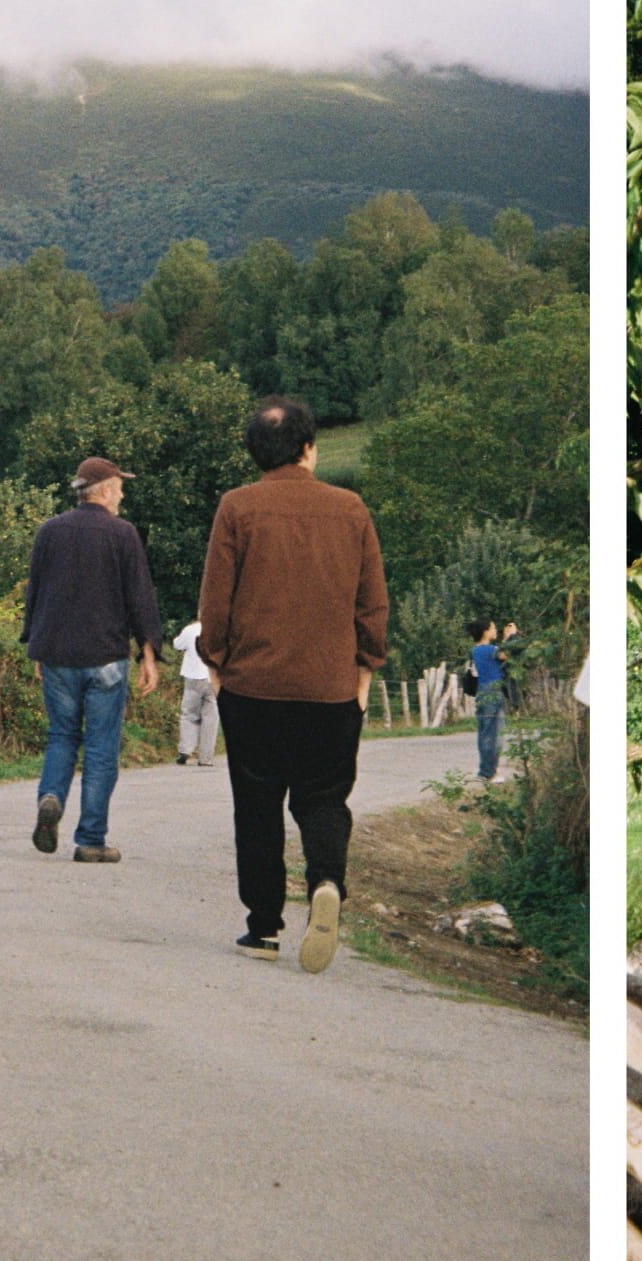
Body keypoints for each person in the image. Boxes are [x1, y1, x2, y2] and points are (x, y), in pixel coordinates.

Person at [197, 397, 386, 970]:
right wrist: (364, 668)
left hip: (253, 687)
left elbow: (216, 599)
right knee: (324, 798)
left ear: (258, 452)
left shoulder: (236, 507)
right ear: (308, 448)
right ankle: (326, 883)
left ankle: (263, 927)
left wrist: (217, 659)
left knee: (256, 805)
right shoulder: (351, 509)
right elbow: (371, 603)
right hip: (329, 687)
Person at [22, 456, 162, 864]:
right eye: (119, 486)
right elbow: (140, 596)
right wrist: (149, 653)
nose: (121, 494)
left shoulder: (50, 531)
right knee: (101, 746)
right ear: (102, 489)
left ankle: (50, 797)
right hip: (105, 656)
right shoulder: (122, 533)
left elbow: (36, 591)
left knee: (61, 736)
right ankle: (91, 840)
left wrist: (36, 644)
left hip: (57, 654)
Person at [171, 616, 218, 766]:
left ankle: (186, 749)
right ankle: (206, 757)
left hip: (193, 677)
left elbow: (177, 645)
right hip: (212, 677)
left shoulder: (190, 630)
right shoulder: (218, 631)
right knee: (210, 718)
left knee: (189, 713)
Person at [468, 619, 509, 781]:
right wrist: (509, 637)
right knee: (492, 733)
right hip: (492, 690)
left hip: (486, 690)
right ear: (485, 631)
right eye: (493, 628)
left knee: (492, 732)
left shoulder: (478, 650)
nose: (495, 630)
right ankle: (486, 772)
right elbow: (507, 655)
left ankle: (489, 771)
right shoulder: (486, 649)